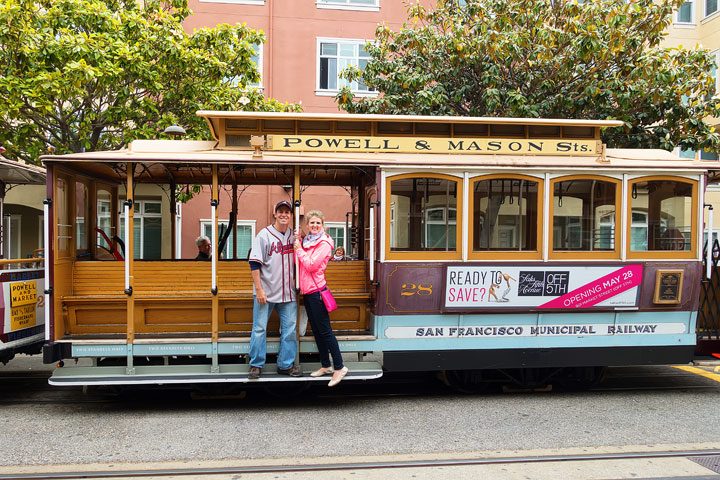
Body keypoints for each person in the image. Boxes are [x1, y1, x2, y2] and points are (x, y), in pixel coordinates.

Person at [247, 200, 302, 379]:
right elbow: (254, 264)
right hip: (267, 292)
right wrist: (259, 290)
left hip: (288, 293)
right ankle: (256, 364)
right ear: (275, 214)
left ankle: (285, 365)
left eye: (287, 212)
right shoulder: (264, 235)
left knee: (289, 330)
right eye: (281, 211)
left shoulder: (294, 237)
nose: (284, 214)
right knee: (259, 329)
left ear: (291, 215)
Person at [294, 210, 348, 387]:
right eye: (312, 223)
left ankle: (339, 367)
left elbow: (310, 265)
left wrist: (299, 249)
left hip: (317, 292)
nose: (315, 226)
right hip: (308, 292)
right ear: (307, 225)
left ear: (322, 225)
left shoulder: (324, 243)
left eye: (318, 223)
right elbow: (299, 260)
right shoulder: (307, 241)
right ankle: (326, 365)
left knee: (325, 331)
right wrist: (298, 244)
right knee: (316, 330)